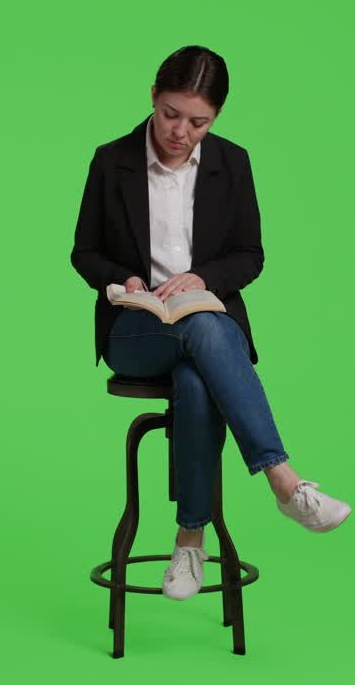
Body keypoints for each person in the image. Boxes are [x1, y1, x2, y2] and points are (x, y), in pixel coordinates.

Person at [71, 45, 349, 600]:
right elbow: (84, 251)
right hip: (136, 330)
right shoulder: (111, 159)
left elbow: (250, 254)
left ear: (216, 117)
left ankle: (188, 543)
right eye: (171, 114)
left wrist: (203, 280)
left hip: (207, 322)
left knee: (198, 373)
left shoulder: (232, 161)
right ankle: (284, 481)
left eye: (198, 122)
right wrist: (128, 280)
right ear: (153, 96)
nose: (181, 131)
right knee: (204, 335)